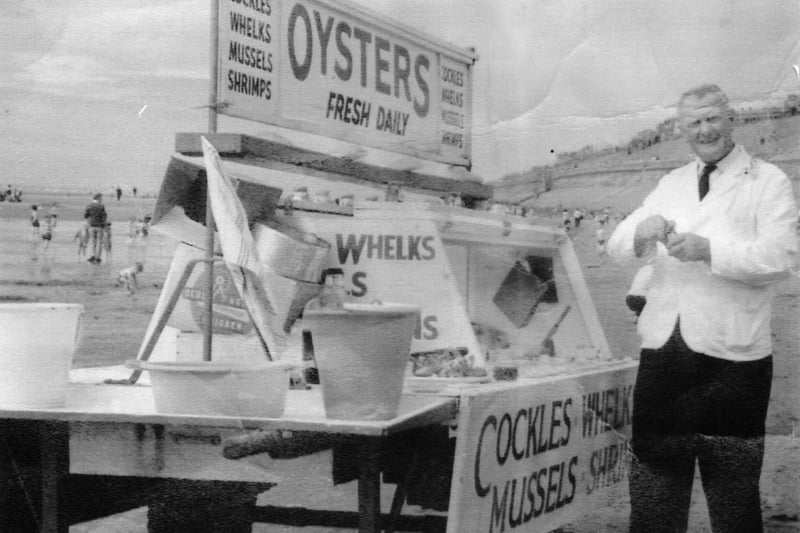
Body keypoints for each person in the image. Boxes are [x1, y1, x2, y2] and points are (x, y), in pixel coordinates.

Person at [606, 84, 798, 533]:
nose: (704, 130)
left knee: (732, 491)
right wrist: (642, 232)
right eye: (693, 122)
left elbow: (780, 258)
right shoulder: (669, 184)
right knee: (654, 489)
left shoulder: (768, 180)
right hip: (664, 354)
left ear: (732, 120)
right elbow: (618, 247)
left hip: (733, 359)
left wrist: (709, 250)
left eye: (712, 118)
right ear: (682, 130)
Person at [84, 193, 107, 263]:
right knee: (99, 242)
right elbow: (104, 217)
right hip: (100, 226)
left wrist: (88, 222)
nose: (102, 200)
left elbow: (86, 215)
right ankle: (98, 257)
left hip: (92, 226)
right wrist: (104, 225)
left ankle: (93, 256)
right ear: (98, 198)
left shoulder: (89, 205)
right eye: (101, 198)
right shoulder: (101, 206)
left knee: (93, 242)